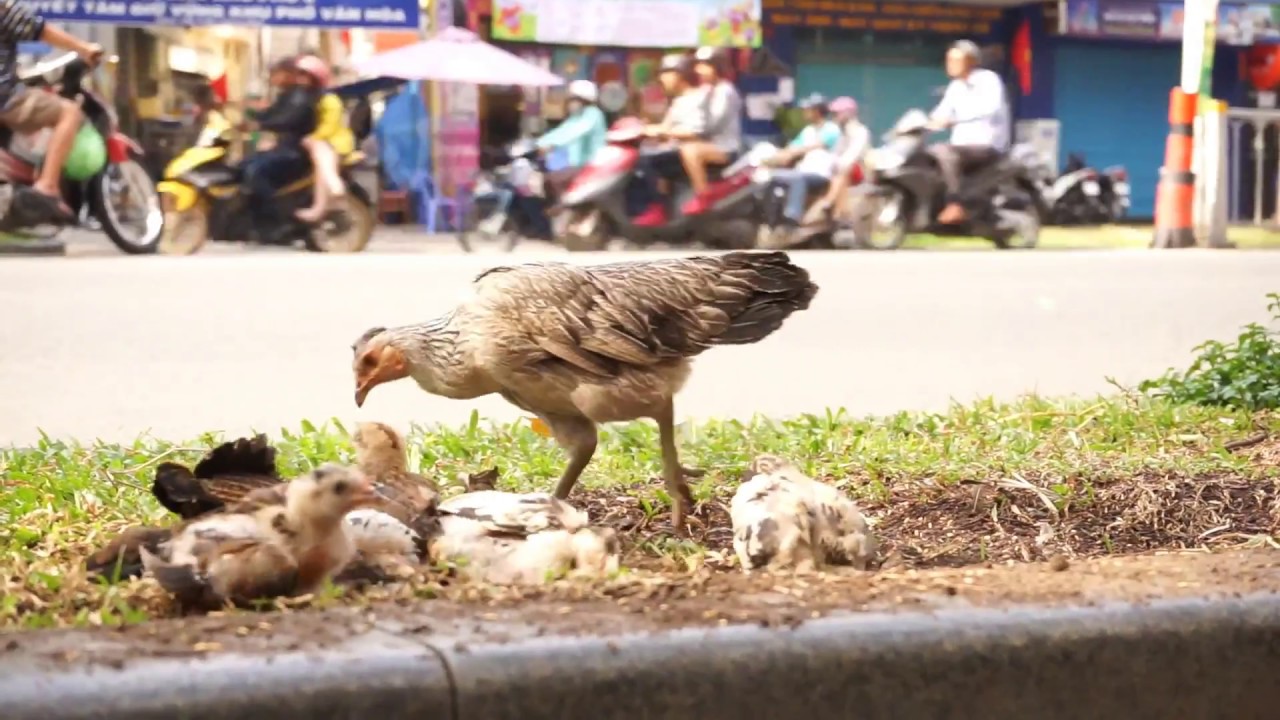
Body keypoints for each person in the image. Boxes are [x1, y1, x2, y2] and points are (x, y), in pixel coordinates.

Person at [0, 1, 103, 222]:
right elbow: (40, 29)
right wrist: (84, 48)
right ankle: (47, 185)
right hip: (3, 96)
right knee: (69, 112)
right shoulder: (3, 9)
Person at [926, 39, 1010, 225]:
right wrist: (923, 123)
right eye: (948, 60)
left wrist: (954, 120)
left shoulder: (988, 79)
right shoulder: (955, 86)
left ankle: (955, 204)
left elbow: (990, 108)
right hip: (962, 147)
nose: (950, 64)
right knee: (928, 155)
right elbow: (942, 111)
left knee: (943, 151)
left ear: (971, 61)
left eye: (956, 60)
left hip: (987, 145)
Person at [243, 57, 319, 242]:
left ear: (288, 74)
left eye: (275, 74)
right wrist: (248, 112)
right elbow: (270, 114)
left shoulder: (299, 97)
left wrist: (259, 124)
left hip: (294, 152)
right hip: (284, 148)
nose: (272, 78)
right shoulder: (287, 95)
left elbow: (286, 120)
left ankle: (279, 220)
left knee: (255, 173)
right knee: (242, 166)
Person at [633, 52, 711, 227]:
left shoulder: (696, 99)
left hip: (691, 150)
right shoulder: (679, 101)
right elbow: (665, 126)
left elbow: (695, 131)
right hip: (676, 149)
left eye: (667, 73)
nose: (662, 79)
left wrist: (663, 133)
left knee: (646, 161)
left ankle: (658, 209)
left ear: (681, 75)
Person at [679, 45, 743, 216]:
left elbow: (711, 126)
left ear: (717, 67)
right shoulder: (708, 90)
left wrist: (689, 131)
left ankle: (703, 195)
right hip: (711, 144)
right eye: (698, 65)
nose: (699, 70)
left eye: (704, 65)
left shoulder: (726, 91)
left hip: (725, 148)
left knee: (690, 151)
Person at [293, 54, 355, 223]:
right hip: (323, 143)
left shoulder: (330, 100)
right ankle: (319, 208)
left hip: (335, 143)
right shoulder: (308, 98)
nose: (300, 80)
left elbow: (330, 126)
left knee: (320, 155)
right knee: (319, 169)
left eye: (304, 76)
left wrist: (313, 137)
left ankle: (335, 185)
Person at [765, 93, 841, 226]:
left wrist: (793, 152)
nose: (804, 112)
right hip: (802, 171)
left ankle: (793, 217)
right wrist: (775, 155)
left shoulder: (831, 129)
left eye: (808, 109)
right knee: (771, 177)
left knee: (797, 178)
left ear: (817, 111)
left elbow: (814, 145)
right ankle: (771, 218)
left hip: (820, 174)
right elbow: (793, 147)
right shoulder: (808, 130)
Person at [535, 79, 607, 199]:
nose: (570, 103)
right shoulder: (577, 116)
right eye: (570, 99)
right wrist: (541, 142)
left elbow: (574, 132)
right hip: (576, 164)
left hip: (590, 164)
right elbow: (562, 131)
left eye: (574, 99)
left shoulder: (592, 113)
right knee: (550, 178)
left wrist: (547, 143)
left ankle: (562, 207)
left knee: (554, 179)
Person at [811, 95, 871, 218]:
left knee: (844, 169)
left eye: (837, 113)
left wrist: (838, 165)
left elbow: (853, 155)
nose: (834, 117)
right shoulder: (841, 132)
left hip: (858, 171)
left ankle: (829, 203)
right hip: (840, 169)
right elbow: (835, 154)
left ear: (848, 114)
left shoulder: (860, 131)